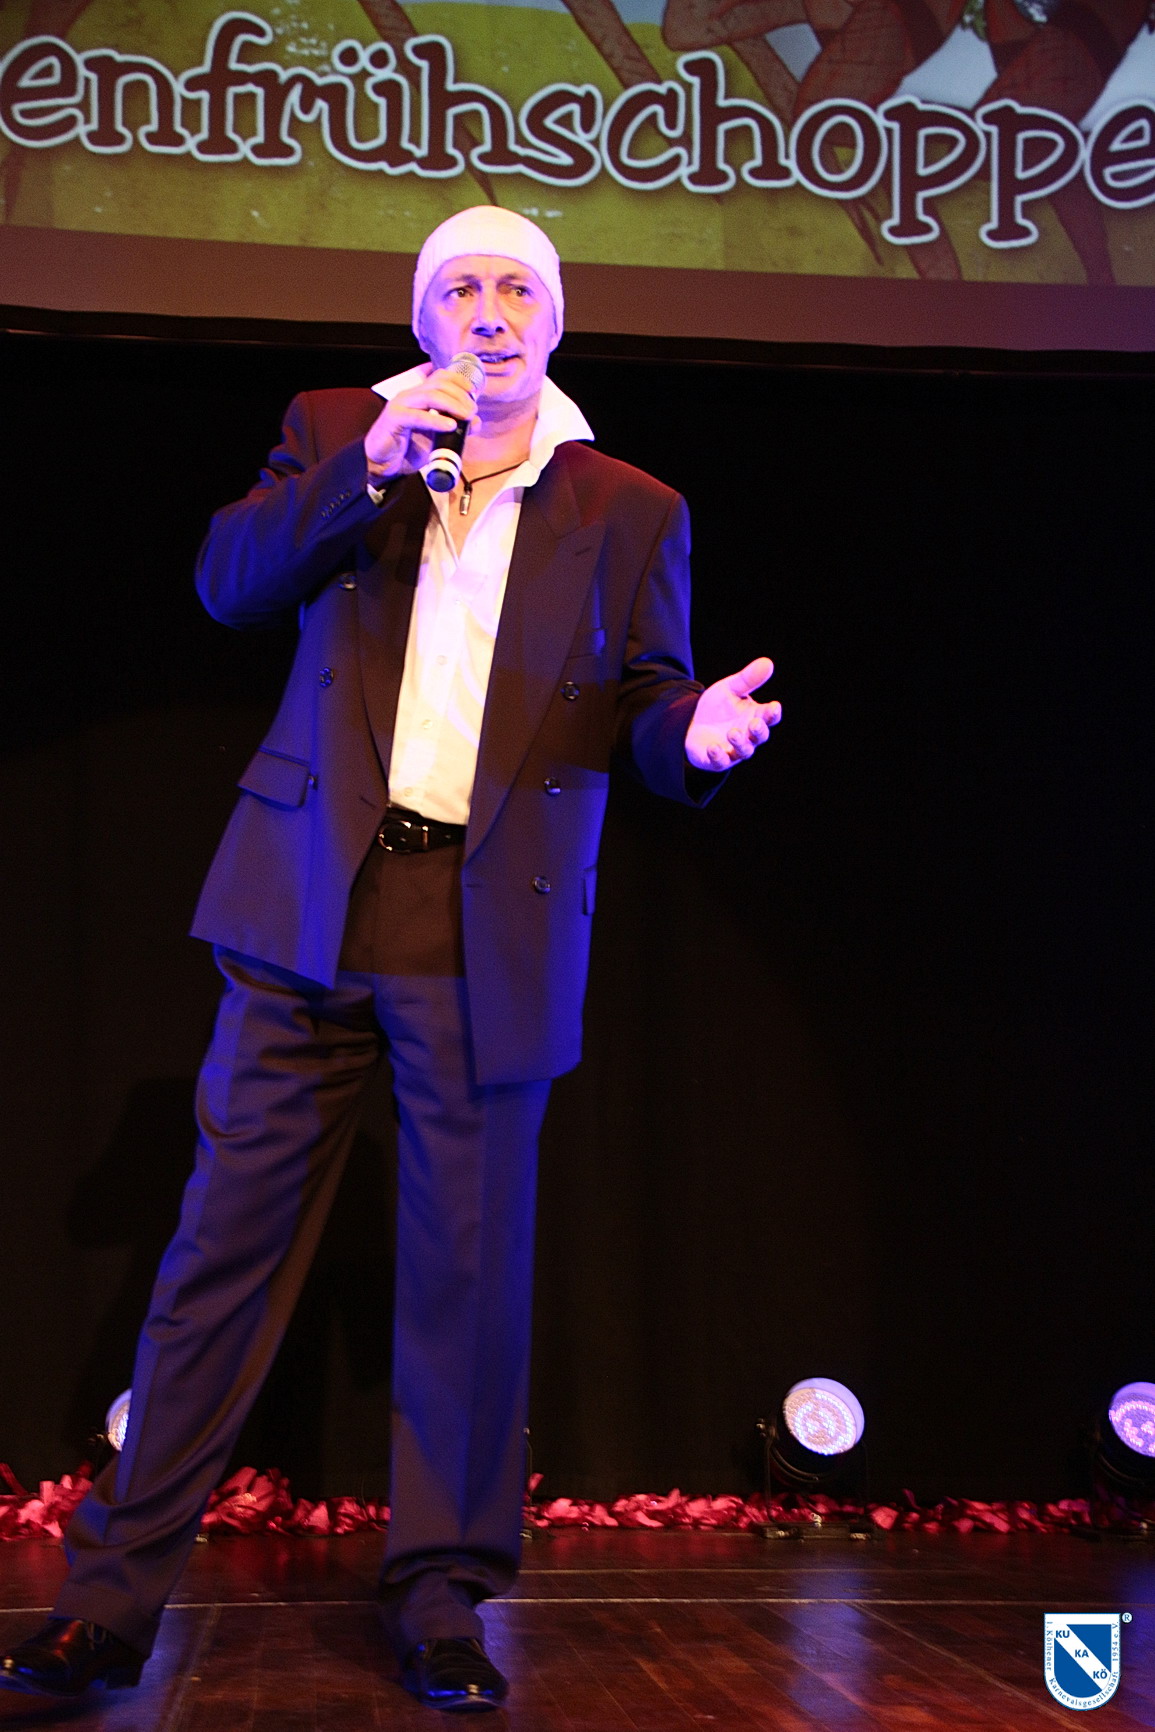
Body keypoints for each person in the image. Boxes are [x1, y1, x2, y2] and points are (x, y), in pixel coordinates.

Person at [0, 206, 779, 1714]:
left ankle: (441, 1598)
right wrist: (365, 468)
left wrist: (690, 735)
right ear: (424, 321)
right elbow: (229, 582)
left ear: (555, 318)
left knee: (466, 1283)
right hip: (308, 905)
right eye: (460, 288)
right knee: (216, 1263)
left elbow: (647, 693)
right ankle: (106, 1606)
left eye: (518, 287)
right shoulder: (337, 429)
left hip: (488, 930)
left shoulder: (628, 506)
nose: (491, 310)